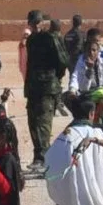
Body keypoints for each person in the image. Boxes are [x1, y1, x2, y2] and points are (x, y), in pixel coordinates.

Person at [23, 11, 66, 164]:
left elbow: (63, 61)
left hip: (47, 88)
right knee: (33, 122)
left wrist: (54, 78)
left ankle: (44, 158)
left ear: (43, 23)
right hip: (33, 88)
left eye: (38, 22)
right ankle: (38, 157)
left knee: (43, 123)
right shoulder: (31, 41)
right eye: (33, 22)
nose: (36, 25)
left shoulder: (50, 39)